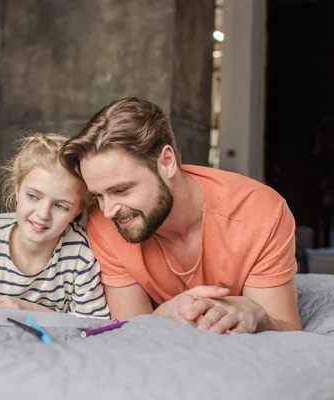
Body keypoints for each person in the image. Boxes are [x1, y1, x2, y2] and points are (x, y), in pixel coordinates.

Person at [60, 97, 302, 333]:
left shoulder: (259, 212)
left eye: (121, 190)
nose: (108, 210)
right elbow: (128, 332)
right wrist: (166, 314)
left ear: (166, 162)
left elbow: (288, 331)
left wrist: (258, 316)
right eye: (98, 196)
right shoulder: (104, 223)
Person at [0, 133, 109, 318]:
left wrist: (28, 310)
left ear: (77, 211)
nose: (43, 214)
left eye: (60, 206)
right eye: (33, 196)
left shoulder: (80, 251)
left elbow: (94, 322)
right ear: (17, 190)